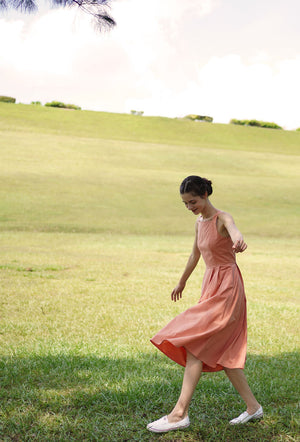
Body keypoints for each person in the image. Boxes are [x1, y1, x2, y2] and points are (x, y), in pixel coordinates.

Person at [147, 175, 263, 433]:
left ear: (205, 195)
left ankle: (179, 414)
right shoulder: (200, 223)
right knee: (225, 353)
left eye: (193, 201)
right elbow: (195, 254)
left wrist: (238, 238)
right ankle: (253, 407)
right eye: (185, 204)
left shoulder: (222, 218)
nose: (190, 207)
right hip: (211, 285)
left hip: (228, 287)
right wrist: (182, 282)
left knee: (197, 347)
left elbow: (233, 229)